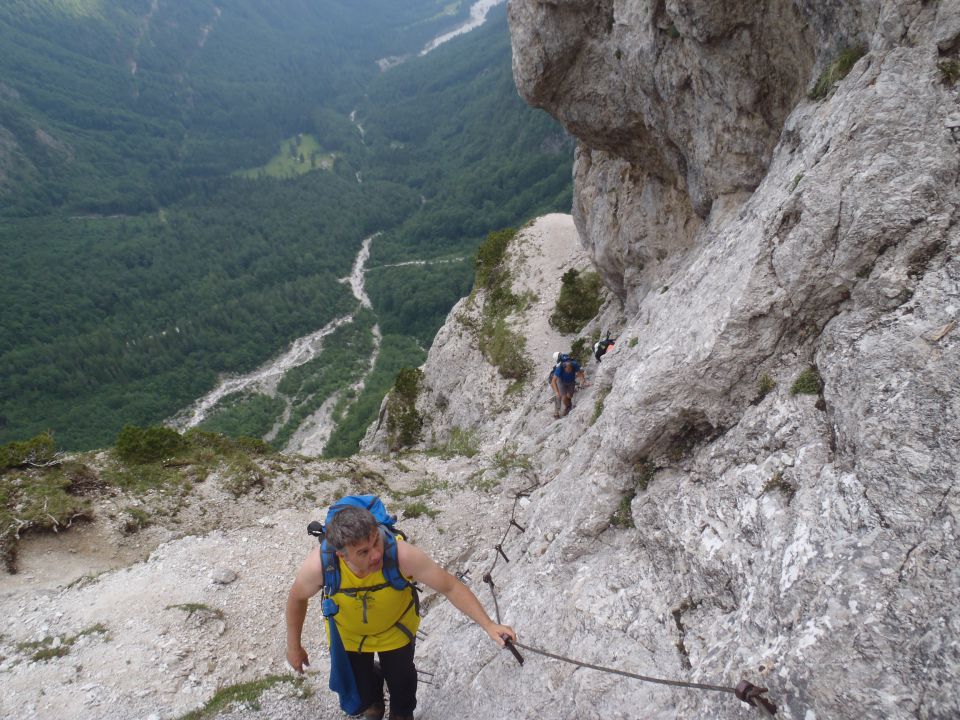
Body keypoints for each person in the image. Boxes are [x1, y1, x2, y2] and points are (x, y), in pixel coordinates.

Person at [285, 506, 516, 720]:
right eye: (363, 552)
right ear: (342, 555)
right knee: (364, 697)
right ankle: (374, 704)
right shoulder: (321, 567)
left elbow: (450, 586)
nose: (376, 554)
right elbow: (297, 598)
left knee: (402, 689)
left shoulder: (401, 556)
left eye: (376, 542)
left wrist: (489, 625)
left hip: (396, 630)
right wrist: (294, 646)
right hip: (349, 637)